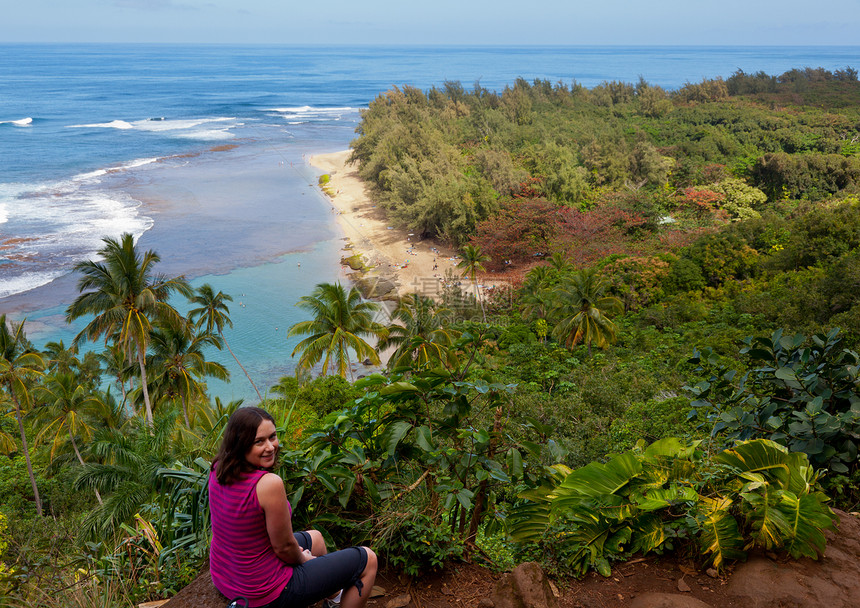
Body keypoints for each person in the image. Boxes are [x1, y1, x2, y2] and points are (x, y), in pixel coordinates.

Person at [209, 407, 377, 608]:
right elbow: (284, 548)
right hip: (264, 592)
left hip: (226, 576)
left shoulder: (219, 467)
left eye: (272, 437)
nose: (270, 447)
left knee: (316, 537)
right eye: (259, 441)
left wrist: (302, 555)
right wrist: (305, 559)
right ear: (241, 444)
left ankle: (333, 598)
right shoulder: (268, 483)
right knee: (368, 559)